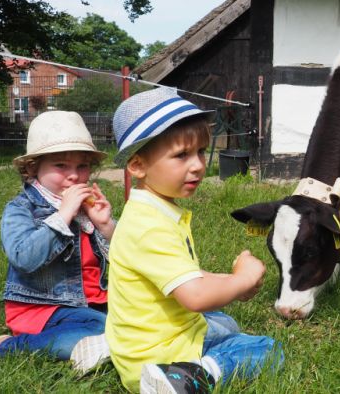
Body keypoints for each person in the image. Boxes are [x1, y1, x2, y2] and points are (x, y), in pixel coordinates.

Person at [106, 88, 282, 394]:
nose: (198, 165)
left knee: (225, 322)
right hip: (156, 356)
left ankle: (112, 349)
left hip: (147, 340)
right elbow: (195, 297)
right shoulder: (149, 226)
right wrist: (242, 278)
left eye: (200, 151)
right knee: (268, 349)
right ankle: (189, 376)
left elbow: (186, 277)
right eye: (181, 155)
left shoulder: (153, 211)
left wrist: (231, 282)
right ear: (137, 166)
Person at [0, 111, 115, 373]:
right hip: (42, 306)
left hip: (93, 302)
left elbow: (129, 254)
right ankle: (8, 346)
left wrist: (106, 225)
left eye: (82, 166)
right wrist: (62, 216)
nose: (74, 176)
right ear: (33, 168)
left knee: (146, 318)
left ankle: (92, 344)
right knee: (104, 328)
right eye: (61, 166)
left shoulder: (87, 209)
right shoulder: (21, 209)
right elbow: (24, 257)